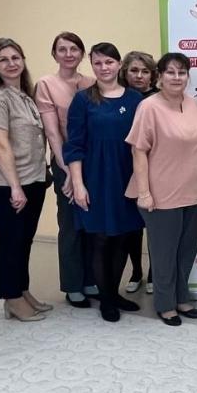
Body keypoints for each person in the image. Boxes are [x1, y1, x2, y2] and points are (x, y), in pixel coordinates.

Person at [64, 42, 144, 322]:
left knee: (123, 236)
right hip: (96, 177)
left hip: (127, 176)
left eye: (109, 62)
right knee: (100, 238)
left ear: (119, 64)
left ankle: (114, 292)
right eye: (97, 63)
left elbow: (144, 141)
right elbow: (74, 145)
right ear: (92, 65)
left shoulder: (136, 100)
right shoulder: (83, 100)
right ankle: (106, 299)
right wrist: (78, 184)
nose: (104, 67)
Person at [127, 52, 197, 326]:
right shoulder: (149, 107)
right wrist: (144, 193)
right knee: (164, 255)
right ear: (159, 77)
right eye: (170, 72)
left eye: (182, 72)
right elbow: (139, 151)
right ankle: (165, 304)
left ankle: (182, 298)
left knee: (186, 252)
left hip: (194, 192)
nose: (176, 77)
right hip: (161, 195)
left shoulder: (194, 104)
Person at [0, 38, 50, 322]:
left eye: (15, 57)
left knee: (24, 240)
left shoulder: (25, 96)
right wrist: (15, 187)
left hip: (33, 178)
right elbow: (0, 144)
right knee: (10, 240)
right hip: (6, 183)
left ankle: (22, 290)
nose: (11, 63)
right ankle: (11, 298)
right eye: (3, 59)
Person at [34, 32, 96, 308]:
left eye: (74, 49)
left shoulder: (92, 83)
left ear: (82, 53)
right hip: (64, 162)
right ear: (54, 54)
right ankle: (73, 284)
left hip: (93, 163)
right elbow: (52, 133)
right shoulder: (46, 85)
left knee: (92, 224)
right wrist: (69, 171)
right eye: (62, 49)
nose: (69, 54)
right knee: (70, 224)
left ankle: (91, 279)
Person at [121, 50, 157, 295]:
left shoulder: (158, 98)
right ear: (125, 72)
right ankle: (136, 271)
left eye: (145, 71)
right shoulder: (118, 97)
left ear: (153, 75)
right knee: (132, 226)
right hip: (125, 167)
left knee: (155, 225)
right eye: (134, 70)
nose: (139, 76)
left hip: (153, 168)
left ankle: (155, 273)